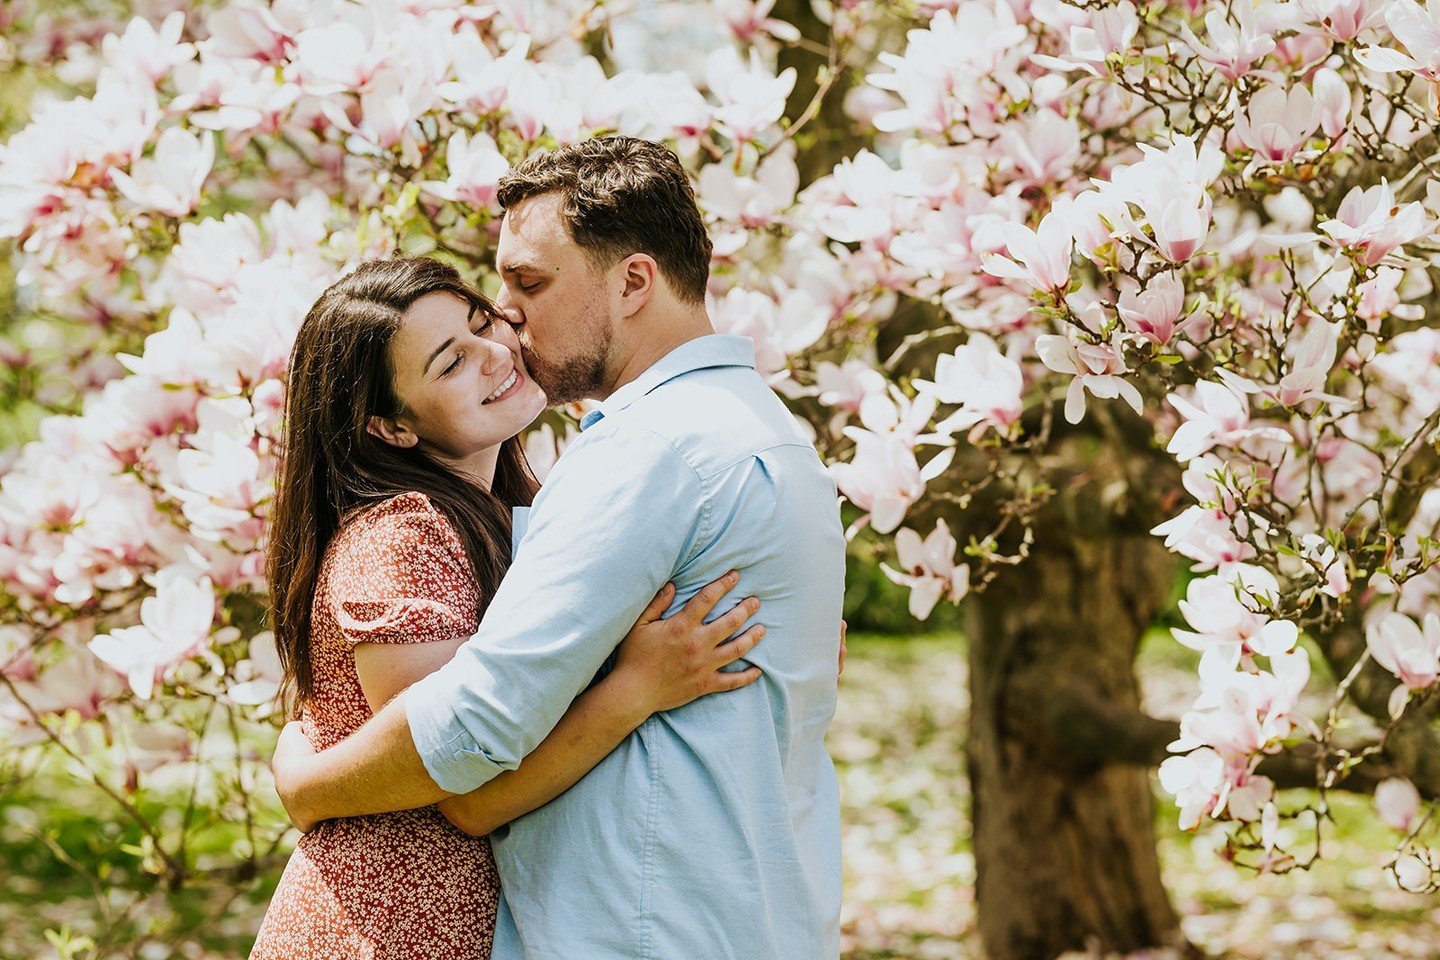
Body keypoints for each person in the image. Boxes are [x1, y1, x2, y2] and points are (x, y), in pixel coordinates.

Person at [273, 136, 847, 958]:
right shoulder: (767, 435)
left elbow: (471, 737)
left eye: (529, 285)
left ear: (633, 281)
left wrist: (306, 784)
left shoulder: (649, 451)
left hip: (647, 928)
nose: (507, 318)